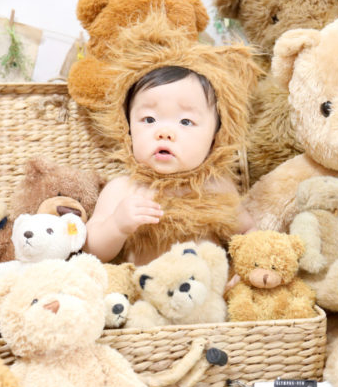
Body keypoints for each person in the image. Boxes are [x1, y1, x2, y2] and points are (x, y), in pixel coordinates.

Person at [85, 66, 254, 265]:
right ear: (127, 129)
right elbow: (90, 250)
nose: (164, 132)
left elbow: (248, 231)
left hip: (204, 283)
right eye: (149, 119)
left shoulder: (217, 187)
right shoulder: (122, 189)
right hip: (143, 283)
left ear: (215, 136)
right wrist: (116, 225)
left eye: (186, 121)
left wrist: (247, 266)